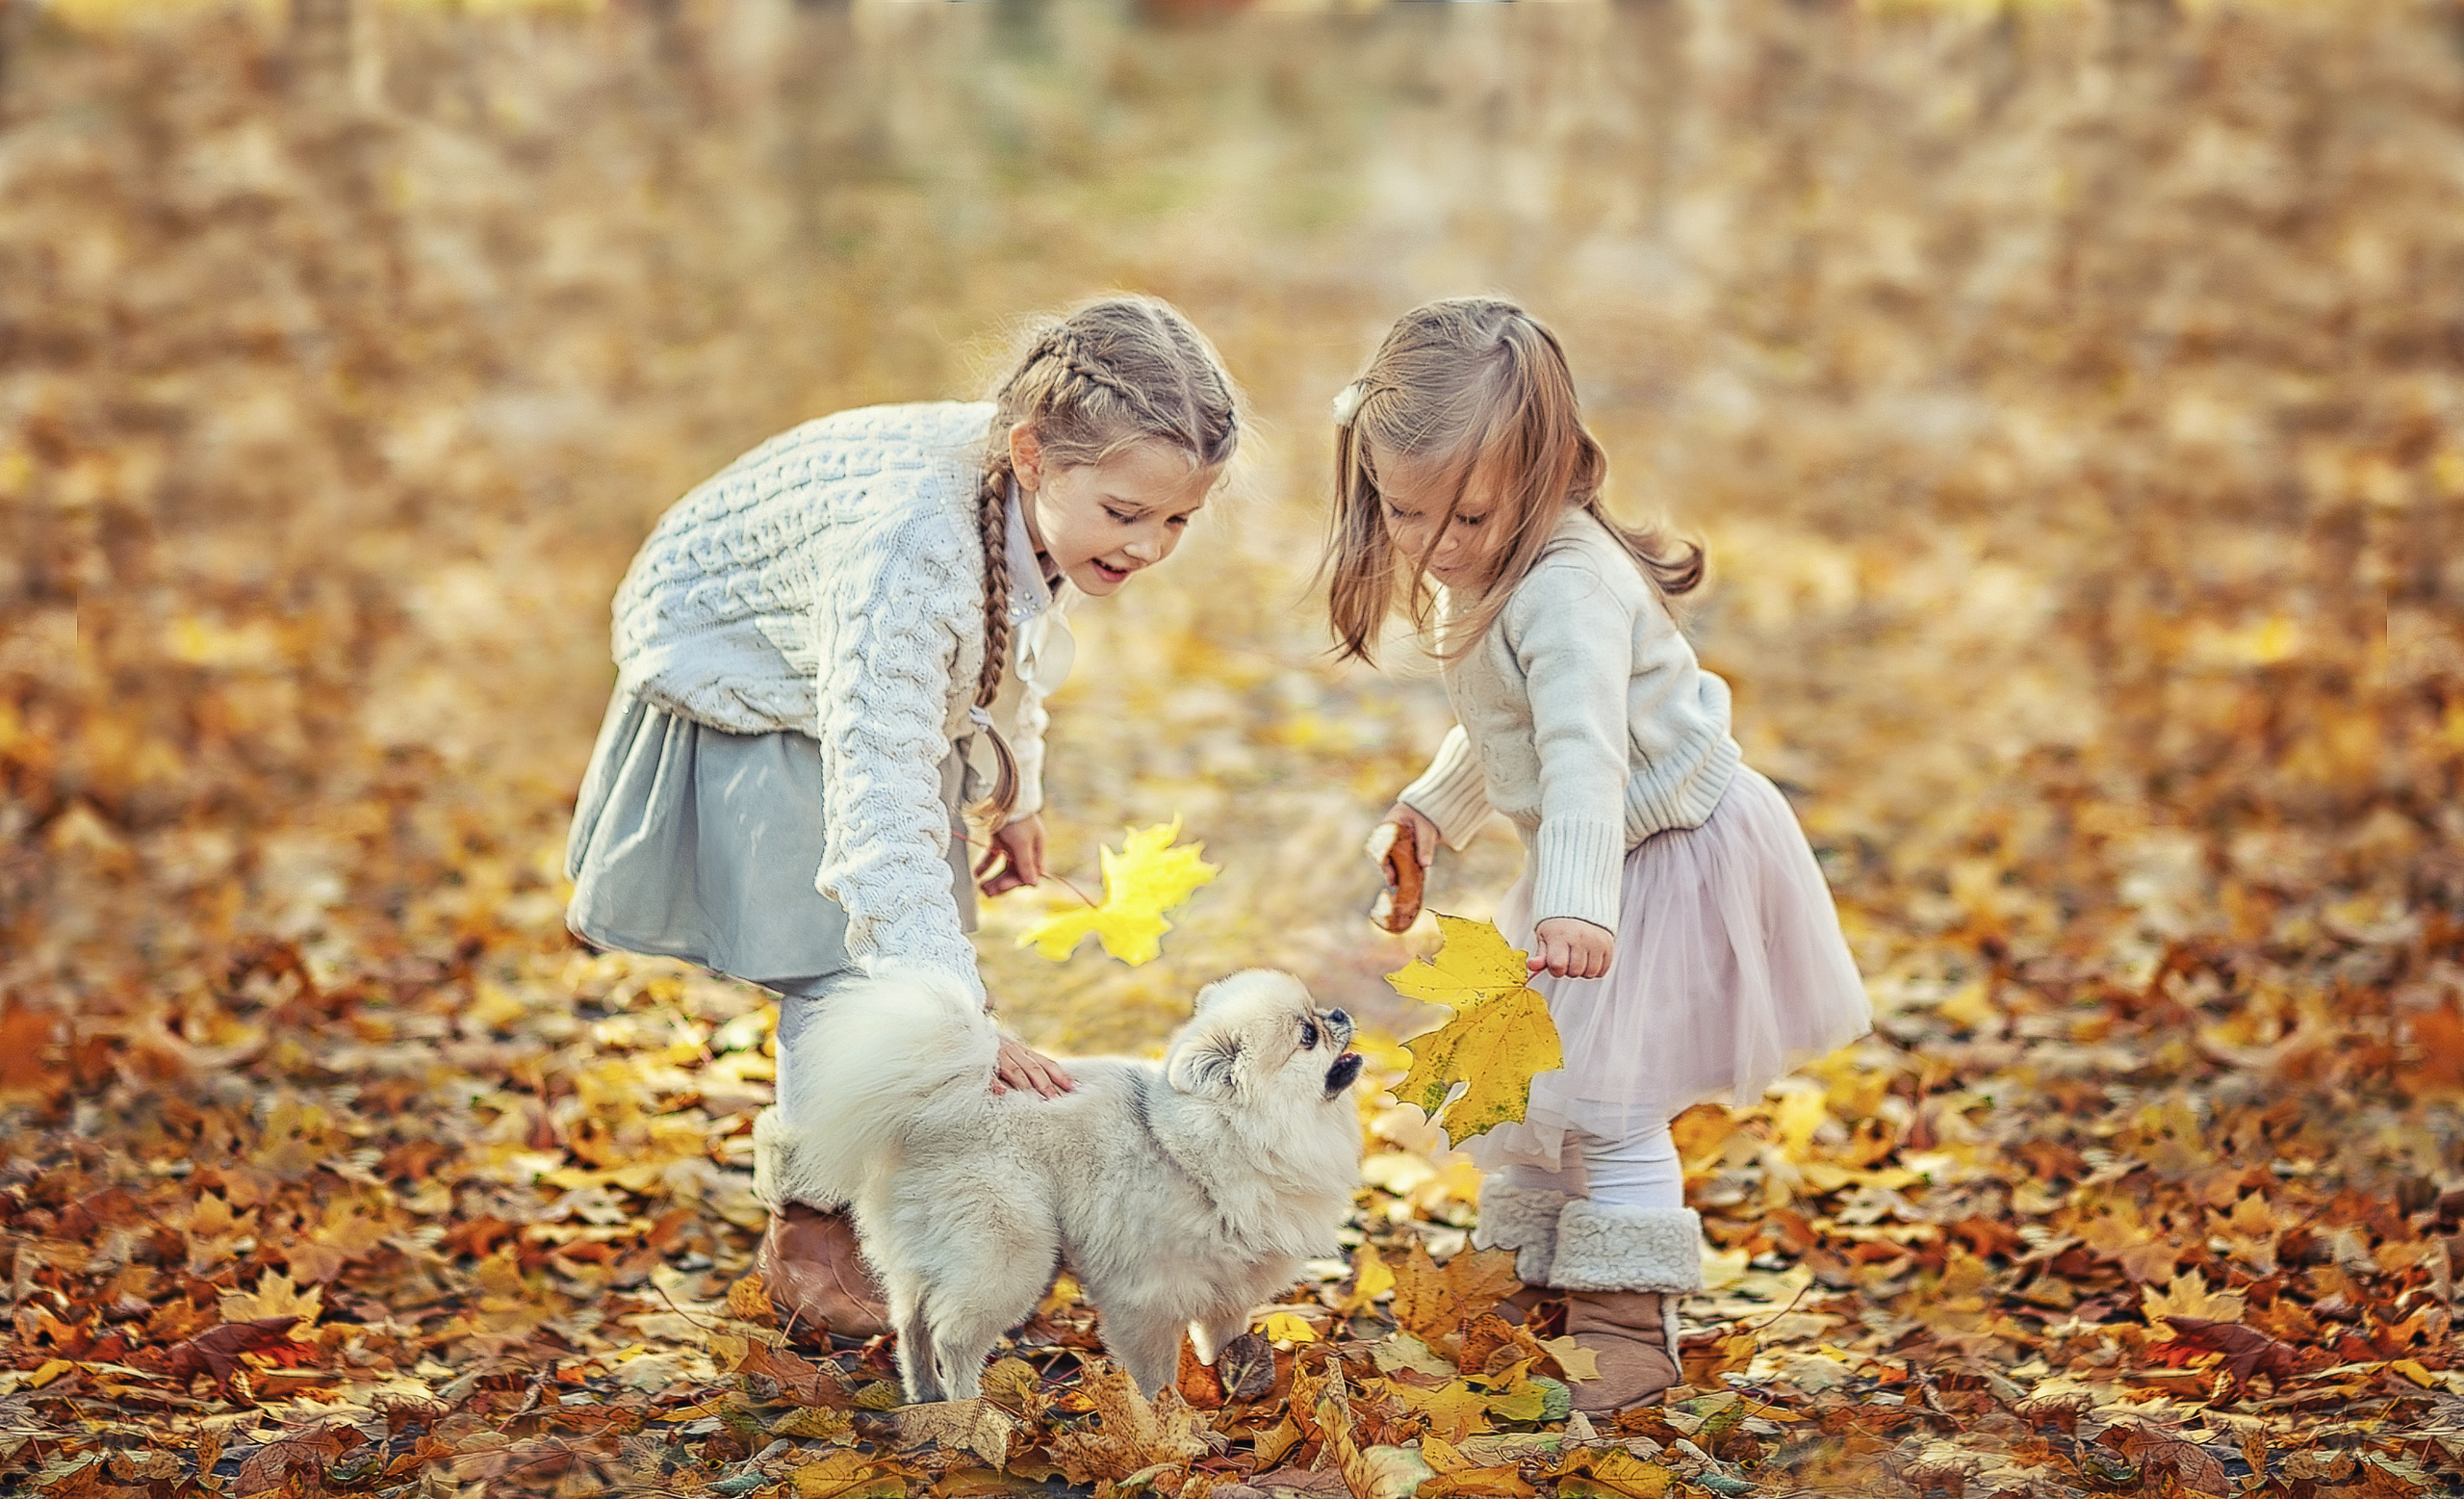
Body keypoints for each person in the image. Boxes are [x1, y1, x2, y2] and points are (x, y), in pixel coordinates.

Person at [565, 295, 1241, 1339]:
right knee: (839, 952)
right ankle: (814, 1231)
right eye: (1125, 512)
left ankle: (896, 1198)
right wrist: (963, 1023)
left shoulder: (1030, 507)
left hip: (855, 669)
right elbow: (878, 806)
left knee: (917, 943)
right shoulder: (906, 556)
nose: (1150, 545)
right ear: (1030, 455)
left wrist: (1014, 791)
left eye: (1177, 519)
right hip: (747, 673)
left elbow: (1004, 636)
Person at [1322, 297, 1869, 1411]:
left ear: (1552, 472)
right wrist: (1431, 812)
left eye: (1467, 516)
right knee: (1531, 1088)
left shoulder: (1569, 588)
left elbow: (1583, 757)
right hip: (1593, 866)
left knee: (1608, 1103)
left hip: (1663, 856)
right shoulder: (1473, 564)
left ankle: (1629, 1331)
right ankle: (1528, 1284)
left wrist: (1577, 908)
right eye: (1403, 511)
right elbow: (1505, 725)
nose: (1434, 546)